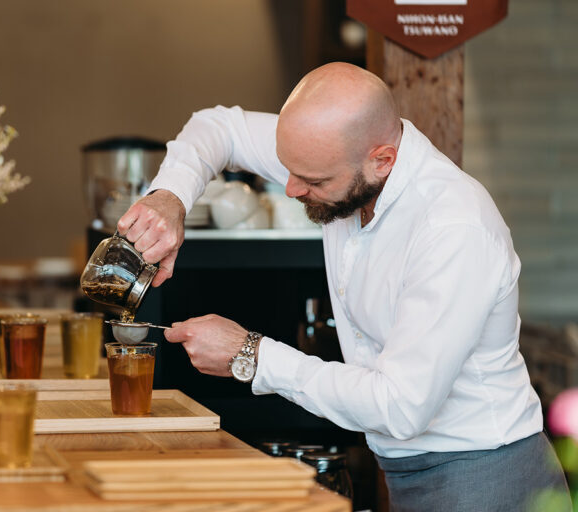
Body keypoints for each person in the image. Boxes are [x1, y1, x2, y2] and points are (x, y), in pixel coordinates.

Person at [116, 62, 570, 510]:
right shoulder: (330, 154)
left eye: (313, 180)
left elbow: (400, 408)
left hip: (485, 477)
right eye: (289, 169)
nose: (291, 189)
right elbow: (218, 127)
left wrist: (250, 355)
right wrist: (170, 196)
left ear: (382, 160)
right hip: (409, 471)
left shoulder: (454, 228)